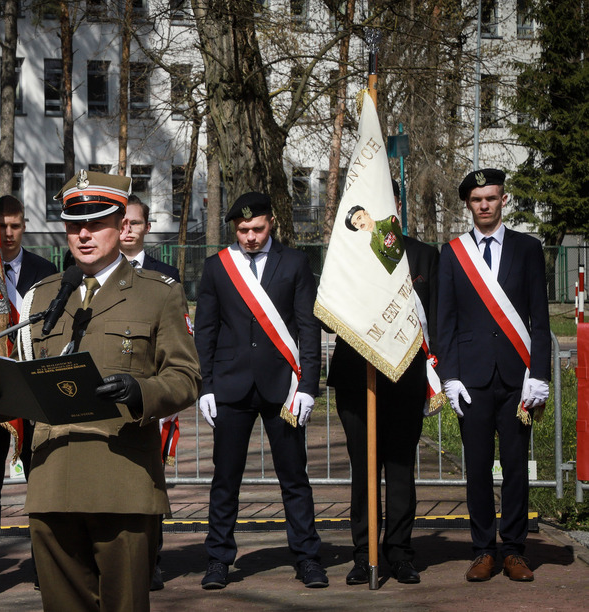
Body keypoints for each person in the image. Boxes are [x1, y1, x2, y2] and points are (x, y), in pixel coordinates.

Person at [0, 169, 201, 611]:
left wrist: (140, 391)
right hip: (52, 481)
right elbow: (25, 380)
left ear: (121, 225)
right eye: (74, 225)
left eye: (96, 223)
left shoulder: (158, 294)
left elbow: (186, 377)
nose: (84, 234)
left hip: (122, 478)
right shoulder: (43, 296)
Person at [194, 192, 327, 590]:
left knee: (294, 478)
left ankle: (307, 558)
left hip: (282, 387)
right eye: (242, 230)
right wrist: (205, 386)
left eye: (257, 228)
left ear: (272, 224)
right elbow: (206, 330)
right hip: (231, 387)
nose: (250, 237)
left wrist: (307, 386)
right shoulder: (218, 267)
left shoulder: (296, 263)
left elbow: (308, 327)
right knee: (225, 479)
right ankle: (218, 560)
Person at [434, 168, 550, 583]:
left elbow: (539, 319)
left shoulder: (528, 248)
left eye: (492, 197)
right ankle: (483, 549)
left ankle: (515, 550)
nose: (485, 205)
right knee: (478, 468)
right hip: (473, 380)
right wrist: (450, 376)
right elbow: (443, 321)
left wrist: (539, 374)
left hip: (517, 378)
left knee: (517, 467)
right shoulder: (453, 254)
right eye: (477, 199)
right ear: (468, 204)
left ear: (503, 200)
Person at [328, 179, 438, 585]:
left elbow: (437, 318)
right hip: (358, 381)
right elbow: (324, 313)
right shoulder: (346, 258)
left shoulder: (424, 256)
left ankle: (400, 552)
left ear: (397, 203)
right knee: (364, 470)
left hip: (406, 378)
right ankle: (364, 553)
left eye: (386, 200)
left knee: (400, 467)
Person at [0, 195, 57, 596]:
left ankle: (45, 566)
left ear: (25, 226)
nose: (7, 233)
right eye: (1, 226)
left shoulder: (46, 271)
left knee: (42, 486)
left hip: (34, 391)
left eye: (15, 226)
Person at [119, 192, 179, 592]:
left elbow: (174, 342)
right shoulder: (91, 272)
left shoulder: (166, 276)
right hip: (104, 393)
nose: (126, 231)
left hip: (148, 395)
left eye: (134, 223)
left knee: (148, 482)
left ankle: (150, 559)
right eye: (120, 223)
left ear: (147, 228)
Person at [121, 194, 181, 282]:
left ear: (147, 228)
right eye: (123, 224)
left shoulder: (168, 274)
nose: (128, 229)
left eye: (135, 223)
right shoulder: (98, 271)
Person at [345, 205, 405, 274]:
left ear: (366, 214)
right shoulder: (373, 244)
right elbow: (389, 267)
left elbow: (405, 240)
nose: (359, 224)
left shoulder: (389, 223)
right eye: (355, 224)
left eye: (359, 218)